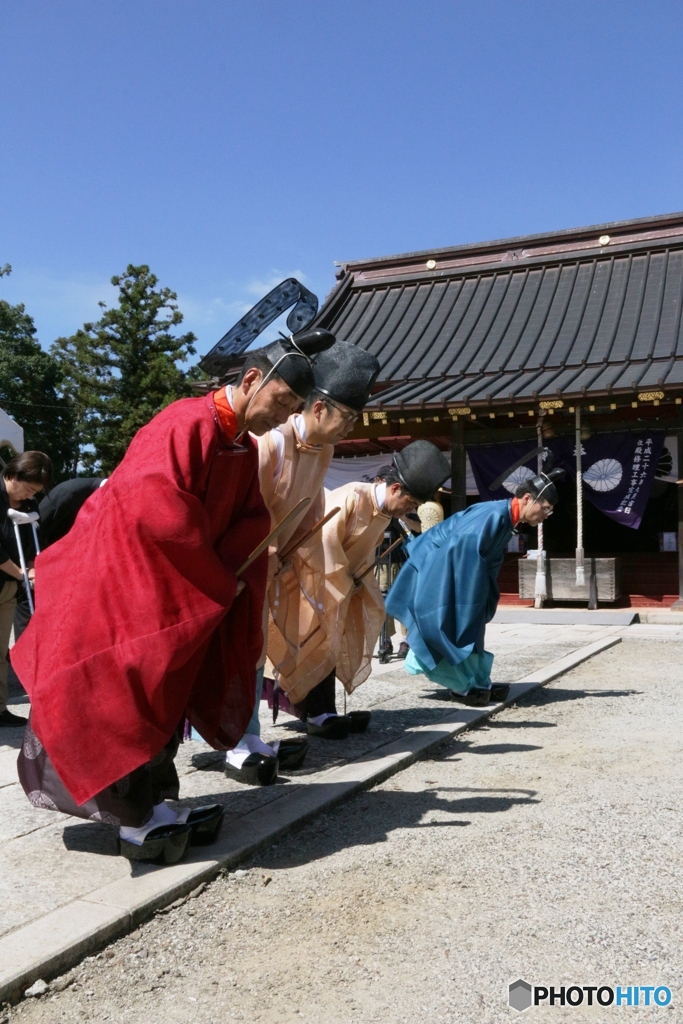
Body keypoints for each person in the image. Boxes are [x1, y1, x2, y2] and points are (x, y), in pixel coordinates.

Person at [12, 330, 333, 863]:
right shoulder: (185, 423)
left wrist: (232, 568)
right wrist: (212, 575)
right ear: (253, 380)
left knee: (165, 694)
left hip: (172, 587)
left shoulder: (240, 445)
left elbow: (248, 519)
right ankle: (132, 821)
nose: (285, 418)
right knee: (129, 698)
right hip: (120, 585)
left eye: (297, 409)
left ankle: (157, 802)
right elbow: (155, 513)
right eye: (283, 403)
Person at [224, 340, 381, 785]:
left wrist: (295, 555)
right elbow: (241, 510)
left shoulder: (324, 450)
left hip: (272, 567)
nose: (349, 428)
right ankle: (233, 739)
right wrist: (262, 555)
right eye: (346, 418)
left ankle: (248, 734)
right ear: (317, 409)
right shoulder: (269, 443)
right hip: (243, 564)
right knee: (234, 649)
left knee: (254, 650)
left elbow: (310, 511)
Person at [279, 439, 451, 739]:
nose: (407, 511)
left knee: (332, 648)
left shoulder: (383, 512)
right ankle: (318, 715)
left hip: (340, 587)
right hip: (312, 583)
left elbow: (362, 557)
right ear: (395, 489)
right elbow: (322, 545)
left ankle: (324, 712)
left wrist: (359, 580)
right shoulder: (352, 497)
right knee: (315, 648)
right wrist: (342, 580)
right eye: (409, 504)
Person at [386, 469, 565, 706]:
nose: (546, 514)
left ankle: (478, 681)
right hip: (440, 569)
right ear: (527, 499)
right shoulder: (493, 515)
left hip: (461, 573)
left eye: (549, 511)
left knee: (472, 628)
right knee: (451, 626)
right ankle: (460, 686)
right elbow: (459, 550)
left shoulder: (504, 516)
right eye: (545, 508)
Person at [6, 475, 106, 699]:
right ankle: (27, 674)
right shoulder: (70, 492)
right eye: (30, 490)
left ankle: (42, 675)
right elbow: (37, 530)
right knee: (29, 618)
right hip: (32, 567)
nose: (30, 495)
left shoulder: (97, 493)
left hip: (57, 566)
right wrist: (34, 568)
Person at [0, 452, 53, 726]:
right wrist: (22, 573)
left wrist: (33, 567)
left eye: (35, 491)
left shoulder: (30, 504)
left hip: (8, 587)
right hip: (9, 575)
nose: (29, 495)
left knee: (0, 651)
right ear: (12, 475)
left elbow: (34, 541)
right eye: (28, 488)